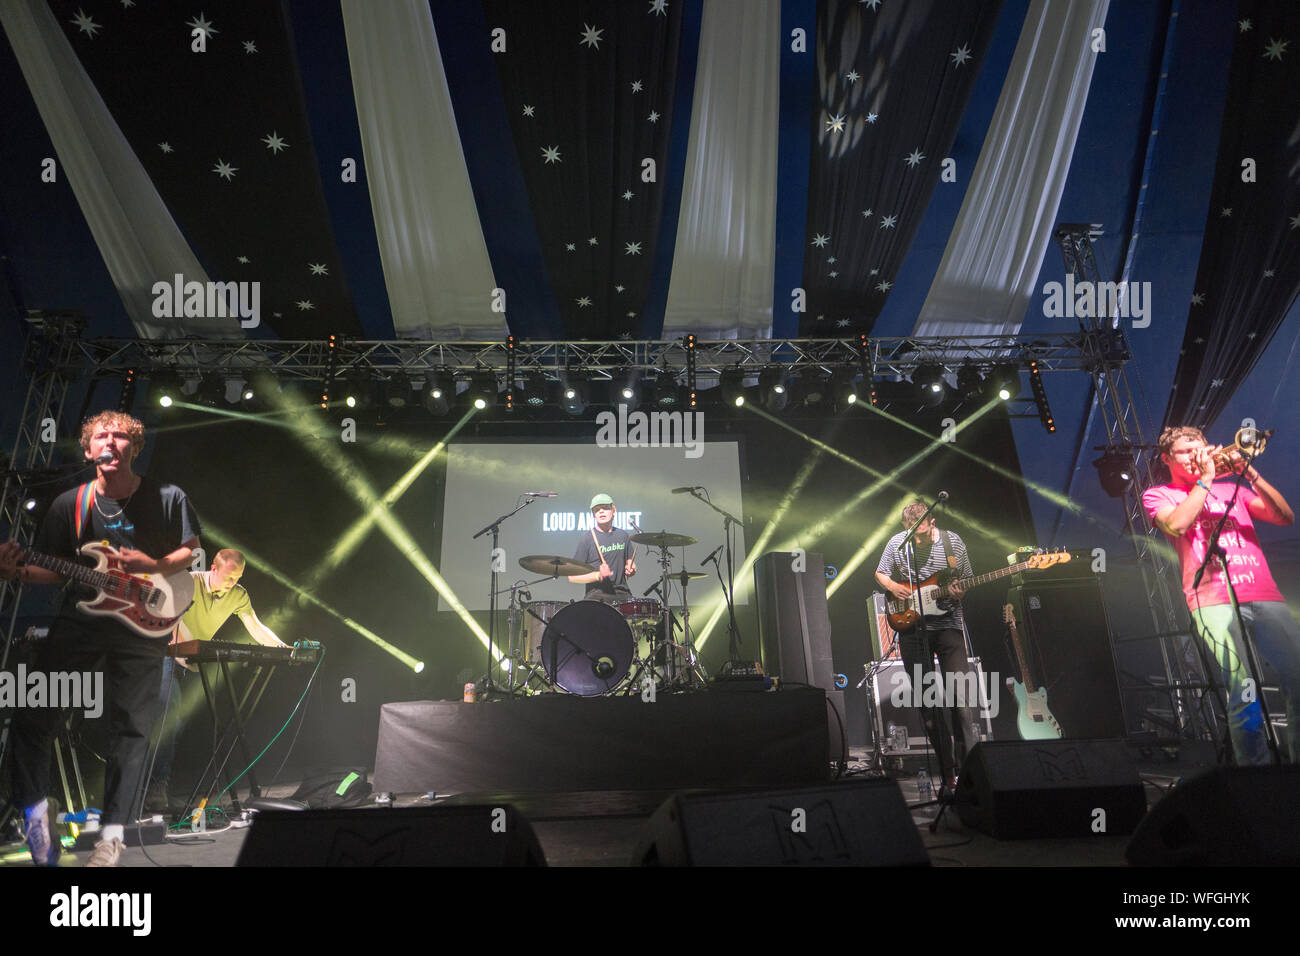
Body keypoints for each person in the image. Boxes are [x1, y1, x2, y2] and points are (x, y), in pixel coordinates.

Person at [0, 411, 200, 866]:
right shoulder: (69, 504)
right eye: (101, 436)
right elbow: (53, 568)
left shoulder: (168, 497)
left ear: (135, 447)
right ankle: (34, 810)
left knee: (131, 731)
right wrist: (13, 570)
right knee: (33, 716)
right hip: (82, 621)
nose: (111, 441)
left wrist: (151, 566)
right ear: (89, 450)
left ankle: (112, 837)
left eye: (121, 436)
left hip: (143, 625)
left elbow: (190, 549)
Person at [1143, 426, 1297, 765]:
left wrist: (1250, 472)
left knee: (1297, 677)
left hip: (1264, 593)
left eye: (1200, 447)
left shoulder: (1235, 489)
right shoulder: (1160, 494)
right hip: (1212, 600)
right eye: (1186, 451)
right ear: (1167, 459)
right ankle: (1256, 776)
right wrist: (1206, 479)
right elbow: (1178, 525)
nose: (1197, 456)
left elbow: (1285, 518)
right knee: (1244, 689)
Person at [149, 548, 288, 812]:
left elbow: (255, 625)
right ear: (213, 568)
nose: (232, 583)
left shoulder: (238, 595)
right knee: (166, 716)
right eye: (228, 576)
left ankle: (157, 788)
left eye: (237, 578)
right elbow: (168, 614)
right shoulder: (189, 582)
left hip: (192, 661)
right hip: (165, 655)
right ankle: (150, 787)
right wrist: (184, 645)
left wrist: (283, 647)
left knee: (176, 724)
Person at [875, 501, 975, 794]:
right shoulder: (897, 543)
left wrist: (961, 589)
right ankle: (948, 776)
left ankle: (970, 773)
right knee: (928, 703)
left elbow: (966, 578)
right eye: (911, 534)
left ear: (932, 523)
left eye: (922, 534)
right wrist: (893, 587)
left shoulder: (952, 542)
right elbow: (880, 573)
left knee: (961, 700)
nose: (917, 539)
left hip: (948, 626)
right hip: (912, 630)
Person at [567, 493, 636, 600]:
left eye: (605, 508)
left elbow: (630, 564)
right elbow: (572, 576)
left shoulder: (623, 535)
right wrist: (598, 575)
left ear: (613, 510)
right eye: (596, 509)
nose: (601, 511)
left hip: (622, 593)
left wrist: (631, 570)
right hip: (597, 596)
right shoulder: (587, 539)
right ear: (593, 514)